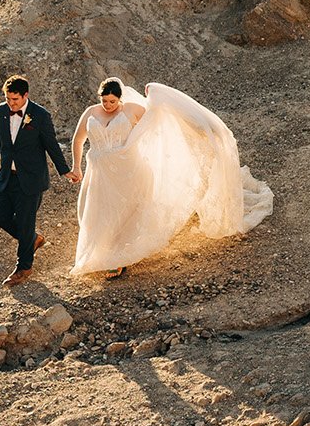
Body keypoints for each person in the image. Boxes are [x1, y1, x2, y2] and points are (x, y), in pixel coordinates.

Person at [69, 77, 272, 277]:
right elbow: (78, 140)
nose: (108, 105)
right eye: (104, 101)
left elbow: (160, 119)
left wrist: (157, 96)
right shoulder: (91, 113)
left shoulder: (132, 109)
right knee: (101, 210)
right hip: (100, 173)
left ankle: (118, 256)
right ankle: (101, 250)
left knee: (127, 210)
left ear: (120, 98)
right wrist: (77, 167)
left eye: (112, 101)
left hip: (129, 170)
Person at [0, 75, 72, 285]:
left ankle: (24, 268)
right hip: (6, 176)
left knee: (25, 223)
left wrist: (65, 171)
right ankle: (33, 239)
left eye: (15, 99)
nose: (10, 103)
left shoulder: (40, 115)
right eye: (7, 99)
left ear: (25, 95)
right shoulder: (0, 111)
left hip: (30, 179)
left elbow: (51, 144)